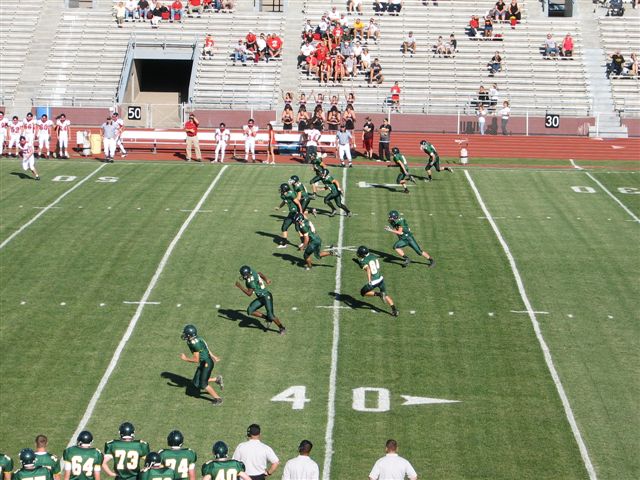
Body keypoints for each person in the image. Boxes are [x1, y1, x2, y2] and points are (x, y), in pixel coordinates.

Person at [179, 325, 224, 404]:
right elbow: (206, 347)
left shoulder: (194, 344)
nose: (185, 335)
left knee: (203, 384)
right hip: (205, 362)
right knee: (196, 382)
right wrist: (213, 356)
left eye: (186, 334)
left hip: (207, 364)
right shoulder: (198, 339)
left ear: (190, 335)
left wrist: (185, 359)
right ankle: (216, 379)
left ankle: (218, 399)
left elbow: (196, 360)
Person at [235, 267, 286, 335]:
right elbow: (259, 273)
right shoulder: (252, 272)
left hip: (266, 296)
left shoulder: (251, 282)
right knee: (250, 310)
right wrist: (266, 279)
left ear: (246, 274)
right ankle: (267, 318)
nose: (243, 276)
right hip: (261, 297)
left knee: (271, 315)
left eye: (243, 275)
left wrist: (240, 287)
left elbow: (249, 293)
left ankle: (282, 328)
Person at [355, 246, 398, 317]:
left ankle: (378, 294)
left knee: (363, 292)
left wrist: (369, 280)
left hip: (374, 281)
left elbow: (368, 269)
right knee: (385, 294)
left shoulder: (363, 261)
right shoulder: (373, 255)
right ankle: (394, 310)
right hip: (381, 278)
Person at [275, 182, 303, 247]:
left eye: (281, 189)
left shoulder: (291, 194)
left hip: (296, 212)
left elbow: (298, 203)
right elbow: (285, 201)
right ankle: (284, 243)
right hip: (291, 213)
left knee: (298, 228)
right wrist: (279, 207)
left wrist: (301, 212)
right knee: (284, 227)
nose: (280, 190)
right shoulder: (283, 195)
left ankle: (303, 242)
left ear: (284, 190)